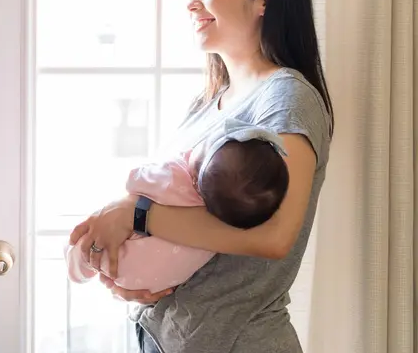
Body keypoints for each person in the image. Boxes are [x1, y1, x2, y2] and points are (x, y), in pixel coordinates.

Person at [69, 0, 333, 353]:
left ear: (264, 0)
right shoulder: (209, 101)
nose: (192, 3)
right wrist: (137, 280)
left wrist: (137, 216)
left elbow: (274, 236)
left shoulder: (286, 97)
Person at [65, 118, 289, 293]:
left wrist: (133, 207)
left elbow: (135, 181)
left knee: (84, 244)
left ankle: (76, 264)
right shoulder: (223, 215)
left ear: (196, 178)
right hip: (156, 283)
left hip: (126, 261)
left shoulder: (175, 176)